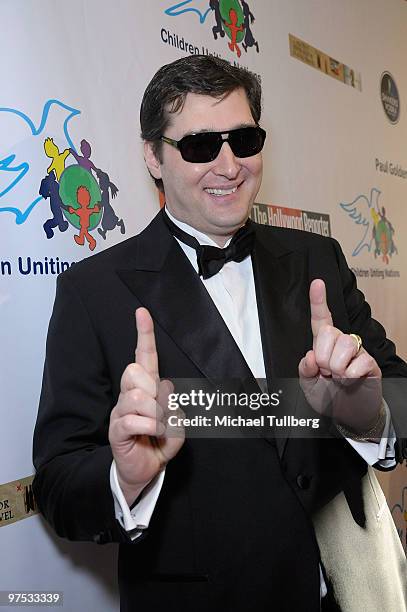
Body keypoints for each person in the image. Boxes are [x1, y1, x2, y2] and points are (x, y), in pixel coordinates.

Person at [33, 55, 407, 612]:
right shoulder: (95, 292)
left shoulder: (315, 259)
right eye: (200, 146)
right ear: (153, 158)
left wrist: (365, 413)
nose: (229, 165)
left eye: (244, 139)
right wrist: (125, 479)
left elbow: (398, 394)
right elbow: (57, 484)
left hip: (341, 595)